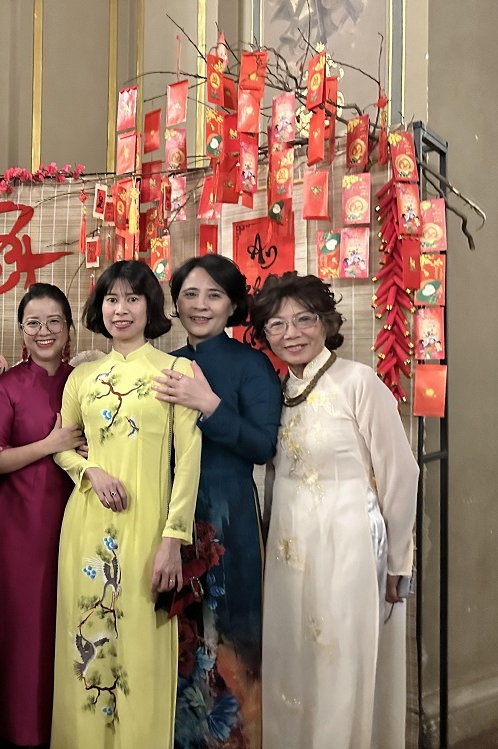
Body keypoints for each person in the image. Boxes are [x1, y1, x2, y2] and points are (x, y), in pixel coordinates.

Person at [250, 272, 417, 748]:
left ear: (326, 322)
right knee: (292, 656)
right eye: (277, 324)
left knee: (339, 658)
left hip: (347, 546)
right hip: (289, 549)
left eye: (304, 319)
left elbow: (400, 473)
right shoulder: (278, 392)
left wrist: (399, 560)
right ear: (265, 335)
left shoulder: (358, 382)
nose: (292, 333)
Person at [50, 260, 202, 749]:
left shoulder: (177, 371)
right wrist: (89, 471)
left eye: (133, 299)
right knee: (87, 642)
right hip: (87, 525)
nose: (121, 309)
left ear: (150, 307)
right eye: (111, 299)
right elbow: (61, 445)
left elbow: (189, 462)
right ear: (100, 308)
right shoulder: (82, 377)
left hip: (148, 528)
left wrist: (173, 539)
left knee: (140, 648)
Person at [151, 255, 281, 747]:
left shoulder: (252, 365)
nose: (200, 305)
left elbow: (262, 446)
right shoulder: (165, 364)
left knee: (230, 633)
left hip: (229, 516)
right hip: (171, 516)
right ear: (176, 303)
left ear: (232, 306)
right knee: (178, 634)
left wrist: (207, 404)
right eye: (190, 294)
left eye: (214, 295)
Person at [0, 283, 84, 749]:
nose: (44, 331)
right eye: (33, 323)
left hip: (76, 522)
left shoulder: (84, 382)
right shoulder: (5, 387)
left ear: (69, 328)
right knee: (22, 632)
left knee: (66, 626)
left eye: (54, 321)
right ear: (22, 330)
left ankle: (64, 730)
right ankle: (17, 732)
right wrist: (50, 444)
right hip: (17, 528)